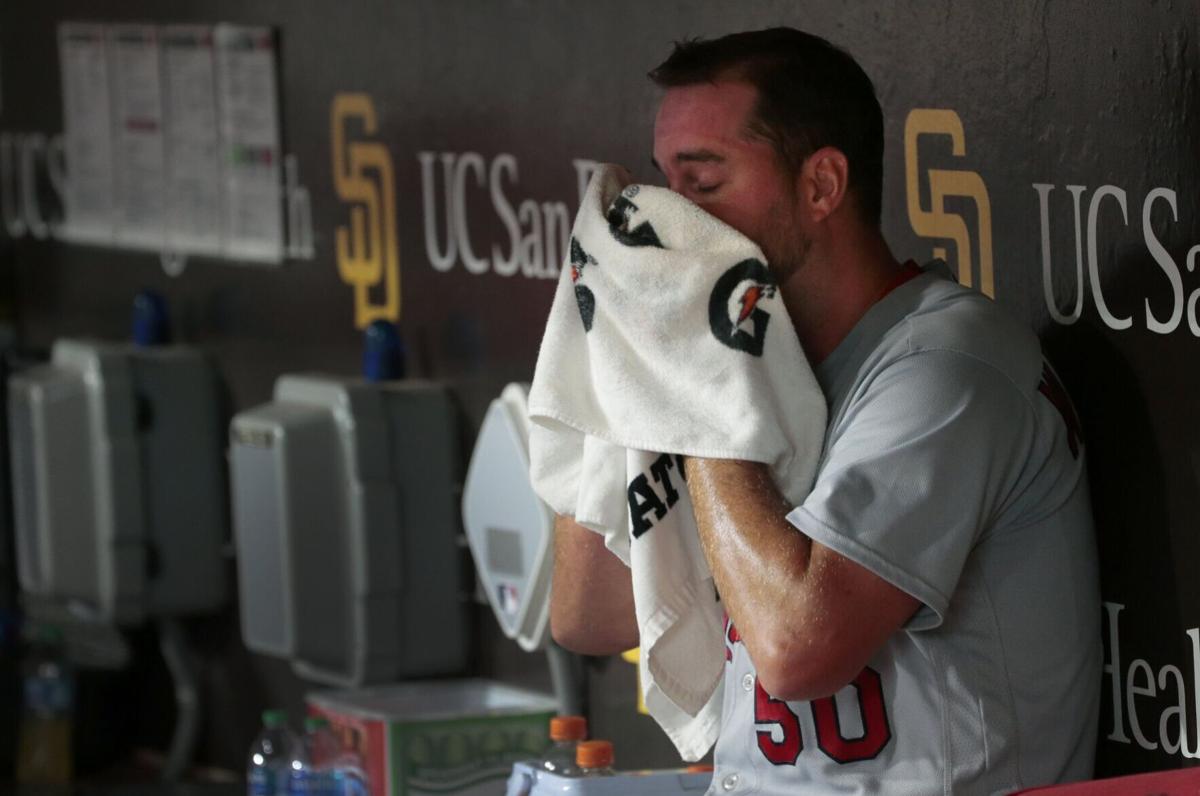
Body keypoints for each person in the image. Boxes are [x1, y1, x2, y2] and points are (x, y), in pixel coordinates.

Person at [549, 27, 1102, 795]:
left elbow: (796, 651)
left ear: (821, 186)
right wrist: (607, 340)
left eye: (703, 186)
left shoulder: (947, 366)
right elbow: (587, 616)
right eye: (663, 186)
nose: (671, 223)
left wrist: (704, 385)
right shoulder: (766, 365)